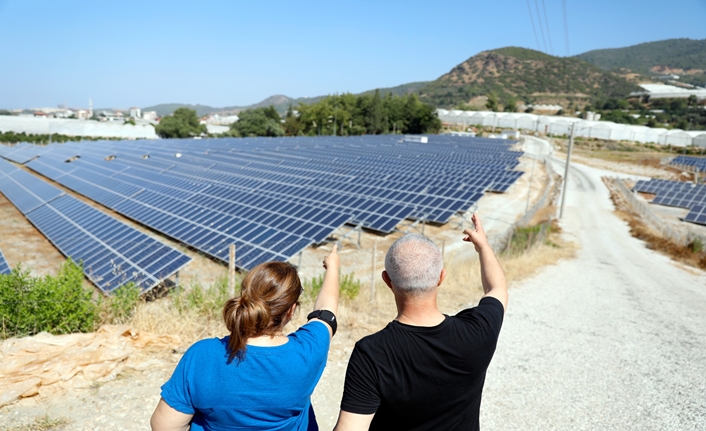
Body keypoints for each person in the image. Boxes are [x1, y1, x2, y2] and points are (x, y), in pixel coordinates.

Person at [334, 214, 507, 431]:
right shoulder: (478, 332)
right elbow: (497, 289)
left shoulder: (371, 353)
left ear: (387, 280)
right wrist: (482, 246)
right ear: (441, 277)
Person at [150, 245, 341, 431]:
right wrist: (333, 267)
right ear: (291, 310)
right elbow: (326, 313)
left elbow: (164, 426)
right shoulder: (308, 351)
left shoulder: (202, 355)